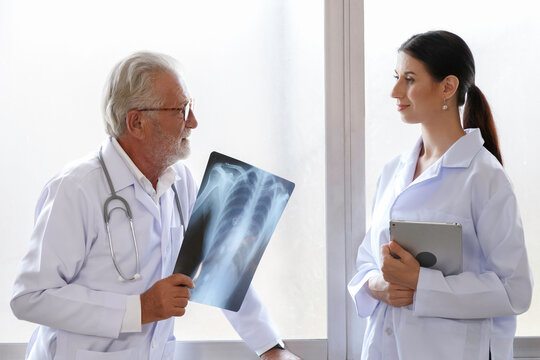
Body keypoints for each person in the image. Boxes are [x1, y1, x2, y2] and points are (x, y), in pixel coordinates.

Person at [11, 51, 300, 360]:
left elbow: (222, 265)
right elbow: (31, 297)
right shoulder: (76, 188)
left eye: (191, 108)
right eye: (180, 110)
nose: (193, 122)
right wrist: (140, 308)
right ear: (137, 122)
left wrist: (270, 347)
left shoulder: (181, 181)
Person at [347, 31, 533, 360]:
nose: (395, 91)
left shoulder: (485, 177)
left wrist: (421, 281)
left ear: (447, 87)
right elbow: (366, 262)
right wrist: (378, 286)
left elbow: (515, 291)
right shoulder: (393, 172)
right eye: (396, 78)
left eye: (409, 79)